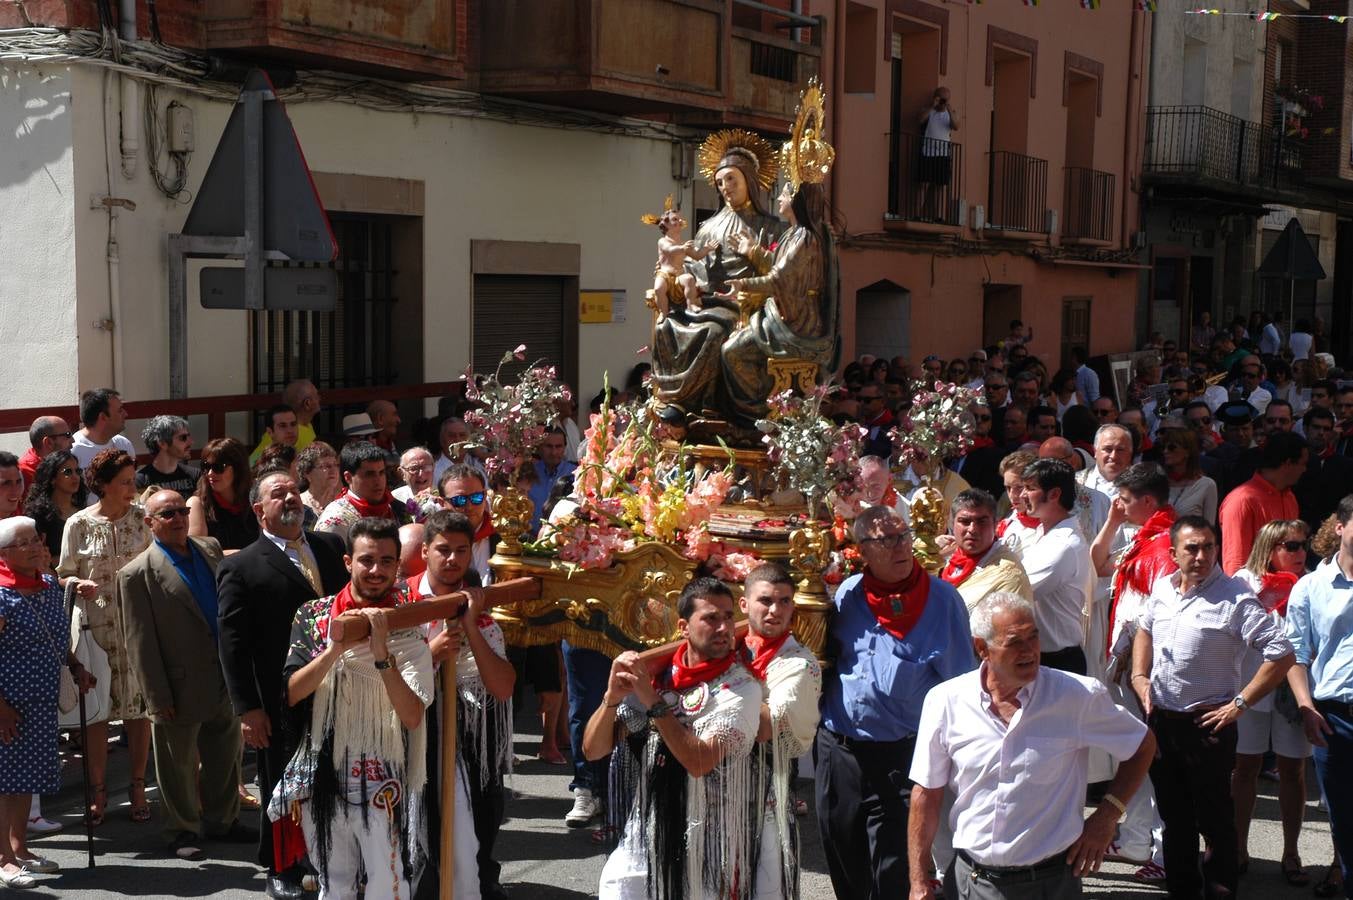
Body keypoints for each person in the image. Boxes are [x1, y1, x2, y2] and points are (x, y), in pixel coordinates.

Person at [907, 591, 1156, 900]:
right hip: (971, 882)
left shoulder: (1076, 696)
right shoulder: (945, 700)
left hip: (1052, 883)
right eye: (1014, 642)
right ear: (981, 648)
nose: (1029, 651)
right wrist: (918, 881)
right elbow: (925, 794)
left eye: (1033, 637)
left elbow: (1143, 744)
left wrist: (1107, 815)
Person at [1131, 516, 1296, 899]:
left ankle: (1220, 892)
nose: (1201, 555)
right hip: (1164, 723)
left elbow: (1282, 652)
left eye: (1208, 547)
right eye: (1192, 548)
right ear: (1173, 553)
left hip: (1209, 726)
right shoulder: (1163, 589)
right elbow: (1144, 628)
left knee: (1216, 823)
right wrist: (1139, 676)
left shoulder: (1235, 597)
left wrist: (1240, 703)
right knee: (1175, 821)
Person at [815, 505, 975, 899]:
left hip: (902, 756)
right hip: (840, 751)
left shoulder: (943, 600)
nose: (900, 546)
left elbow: (961, 686)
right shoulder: (848, 594)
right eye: (886, 540)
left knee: (893, 869)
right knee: (843, 854)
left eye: (902, 535)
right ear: (862, 550)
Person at [278, 518, 433, 900]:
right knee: (334, 880)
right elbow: (293, 693)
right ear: (348, 562)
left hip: (385, 771)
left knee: (388, 880)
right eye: (367, 560)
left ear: (398, 565)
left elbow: (413, 716)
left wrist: (382, 656)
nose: (376, 570)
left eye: (386, 561)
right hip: (324, 769)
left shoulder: (410, 622)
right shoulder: (314, 615)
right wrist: (334, 649)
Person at [216, 468, 348, 899]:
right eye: (279, 493)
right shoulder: (241, 566)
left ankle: (329, 855)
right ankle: (281, 867)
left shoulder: (330, 548)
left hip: (339, 686)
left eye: (294, 490)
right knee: (282, 780)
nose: (291, 498)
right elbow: (232, 645)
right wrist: (247, 708)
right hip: (278, 695)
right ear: (259, 510)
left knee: (334, 772)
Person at [585, 577, 762, 899]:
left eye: (727, 616)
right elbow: (594, 750)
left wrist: (652, 700)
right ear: (683, 626)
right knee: (617, 886)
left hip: (711, 835)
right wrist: (611, 698)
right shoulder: (658, 675)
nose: (724, 627)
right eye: (711, 617)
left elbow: (699, 761)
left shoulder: (741, 688)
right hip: (648, 821)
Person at [118, 490, 251, 860]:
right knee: (176, 764)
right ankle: (181, 829)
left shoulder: (209, 549)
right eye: (167, 514)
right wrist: (157, 697)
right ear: (149, 522)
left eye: (181, 511)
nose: (178, 518)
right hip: (176, 684)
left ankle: (223, 820)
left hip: (222, 674)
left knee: (225, 754)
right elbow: (138, 642)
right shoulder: (135, 575)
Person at [411, 510, 515, 900]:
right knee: (424, 826)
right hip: (418, 736)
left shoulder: (482, 613)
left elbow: (503, 688)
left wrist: (470, 623)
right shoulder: (403, 601)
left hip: (474, 736)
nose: (452, 559)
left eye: (461, 551)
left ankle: (482, 877)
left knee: (484, 813)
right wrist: (432, 656)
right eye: (443, 550)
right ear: (425, 551)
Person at [650, 129, 779, 424]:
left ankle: (699, 403)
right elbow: (694, 268)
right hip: (705, 298)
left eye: (732, 178)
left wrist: (752, 254)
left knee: (713, 330)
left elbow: (778, 273)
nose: (725, 187)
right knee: (667, 325)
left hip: (744, 304)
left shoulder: (769, 227)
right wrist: (683, 282)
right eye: (720, 181)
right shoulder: (709, 226)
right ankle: (678, 401)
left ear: (749, 179)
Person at [57, 447, 153, 826]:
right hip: (93, 629)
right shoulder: (78, 524)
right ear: (105, 485)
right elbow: (62, 573)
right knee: (95, 713)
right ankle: (97, 794)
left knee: (137, 710)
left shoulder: (143, 520)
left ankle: (138, 787)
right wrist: (76, 582)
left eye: (133, 481)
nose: (133, 488)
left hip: (135, 627)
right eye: (126, 482)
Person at [0, 517, 92, 888]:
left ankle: (20, 849)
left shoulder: (50, 585)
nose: (36, 547)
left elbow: (56, 636)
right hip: (10, 704)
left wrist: (76, 665)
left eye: (35, 540)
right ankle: (3, 859)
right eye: (23, 543)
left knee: (26, 779)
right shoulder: (2, 594)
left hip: (42, 700)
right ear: (4, 554)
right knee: (5, 781)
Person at [718, 172, 839, 428]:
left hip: (797, 322)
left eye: (784, 194)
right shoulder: (792, 234)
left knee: (733, 352)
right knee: (732, 341)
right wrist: (752, 251)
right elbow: (780, 268)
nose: (779, 199)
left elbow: (778, 280)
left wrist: (742, 284)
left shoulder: (806, 237)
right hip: (781, 313)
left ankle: (757, 412)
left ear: (796, 200)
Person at [1231, 519, 1313, 886]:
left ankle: (1291, 851)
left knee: (1293, 771)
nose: (1300, 553)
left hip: (1293, 692)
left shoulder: (1310, 583)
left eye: (1303, 545)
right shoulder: (1243, 581)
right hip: (1250, 687)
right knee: (1244, 768)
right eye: (1290, 546)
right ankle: (1238, 847)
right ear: (1270, 547)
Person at [737, 563, 821, 898]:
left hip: (767, 789)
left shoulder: (800, 663)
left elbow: (765, 727)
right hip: (709, 785)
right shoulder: (725, 648)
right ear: (744, 604)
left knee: (766, 880)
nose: (776, 610)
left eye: (785, 601)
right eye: (766, 600)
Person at [1218, 431, 1307, 574]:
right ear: (1288, 463)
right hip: (1255, 593)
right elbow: (1235, 566)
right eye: (1303, 464)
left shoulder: (1290, 497)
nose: (1305, 469)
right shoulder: (1241, 501)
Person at [940, 488, 1032, 612]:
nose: (972, 529)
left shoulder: (1010, 575)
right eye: (965, 521)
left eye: (981, 522)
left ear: (995, 525)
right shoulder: (944, 558)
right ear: (952, 524)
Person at [316, 441, 412, 546]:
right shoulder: (335, 521)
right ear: (348, 477)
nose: (378, 481)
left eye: (381, 472)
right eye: (369, 474)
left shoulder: (398, 509)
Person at [188, 437, 259, 553]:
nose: (210, 473)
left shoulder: (256, 500)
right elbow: (198, 554)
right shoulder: (197, 505)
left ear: (237, 469)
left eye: (218, 467)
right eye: (206, 467)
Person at [1296, 407, 1353, 528]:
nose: (1321, 433)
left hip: (1329, 530)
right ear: (1305, 429)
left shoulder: (1345, 466)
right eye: (1316, 427)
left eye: (1326, 429)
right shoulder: (1292, 461)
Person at [439, 464, 495, 586]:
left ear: (485, 496)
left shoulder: (508, 539)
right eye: (459, 500)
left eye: (476, 498)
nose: (469, 506)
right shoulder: (434, 543)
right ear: (442, 503)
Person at [23, 451, 86, 558]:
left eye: (78, 471)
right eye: (68, 472)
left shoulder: (84, 511)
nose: (75, 477)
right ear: (52, 478)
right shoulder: (38, 515)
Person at [1155, 426, 1218, 521]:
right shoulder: (1157, 483)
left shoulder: (1207, 485)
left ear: (1187, 452)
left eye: (1171, 447)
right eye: (1163, 447)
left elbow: (1209, 526)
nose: (1165, 451)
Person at [915, 86, 959, 220]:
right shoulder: (928, 111)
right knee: (923, 184)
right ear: (935, 97)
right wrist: (932, 106)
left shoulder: (950, 113)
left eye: (945, 99)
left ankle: (939, 216)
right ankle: (917, 214)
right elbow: (920, 120)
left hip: (943, 154)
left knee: (940, 186)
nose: (942, 102)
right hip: (927, 153)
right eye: (940, 98)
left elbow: (956, 126)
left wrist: (949, 109)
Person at [251, 380, 321, 464]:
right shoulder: (300, 434)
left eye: (293, 424)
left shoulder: (306, 425)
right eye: (317, 395)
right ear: (307, 403)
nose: (290, 430)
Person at [526, 429, 577, 536]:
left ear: (564, 448)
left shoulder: (575, 474)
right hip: (528, 540)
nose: (554, 452)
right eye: (549, 446)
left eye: (558, 447)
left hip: (562, 541)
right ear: (540, 447)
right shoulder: (528, 472)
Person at [70, 388, 134, 471]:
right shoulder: (74, 451)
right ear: (103, 417)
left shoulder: (124, 445)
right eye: (120, 410)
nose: (126, 414)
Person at [136, 415, 199, 499]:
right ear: (162, 443)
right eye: (183, 438)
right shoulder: (140, 481)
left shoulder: (195, 476)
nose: (191, 442)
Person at [18, 416, 73, 493]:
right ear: (49, 442)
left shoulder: (67, 464)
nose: (73, 440)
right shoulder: (23, 474)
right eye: (68, 435)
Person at [1078, 424, 1133, 498]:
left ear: (1130, 453)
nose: (1113, 456)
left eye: (1120, 450)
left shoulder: (1142, 487)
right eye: (1108, 449)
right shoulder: (1075, 483)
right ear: (1095, 451)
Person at [296, 442, 341, 521]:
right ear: (307, 472)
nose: (333, 470)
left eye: (335, 464)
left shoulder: (344, 503)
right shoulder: (298, 504)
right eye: (325, 466)